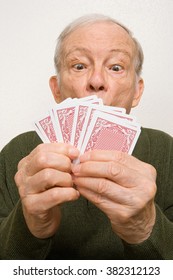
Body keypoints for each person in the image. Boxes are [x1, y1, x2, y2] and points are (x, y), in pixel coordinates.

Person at [0, 14, 173, 260]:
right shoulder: (17, 153)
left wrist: (146, 227)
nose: (96, 81)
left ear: (137, 91)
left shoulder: (166, 151)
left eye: (115, 67)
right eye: (79, 65)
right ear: (56, 89)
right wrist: (29, 226)